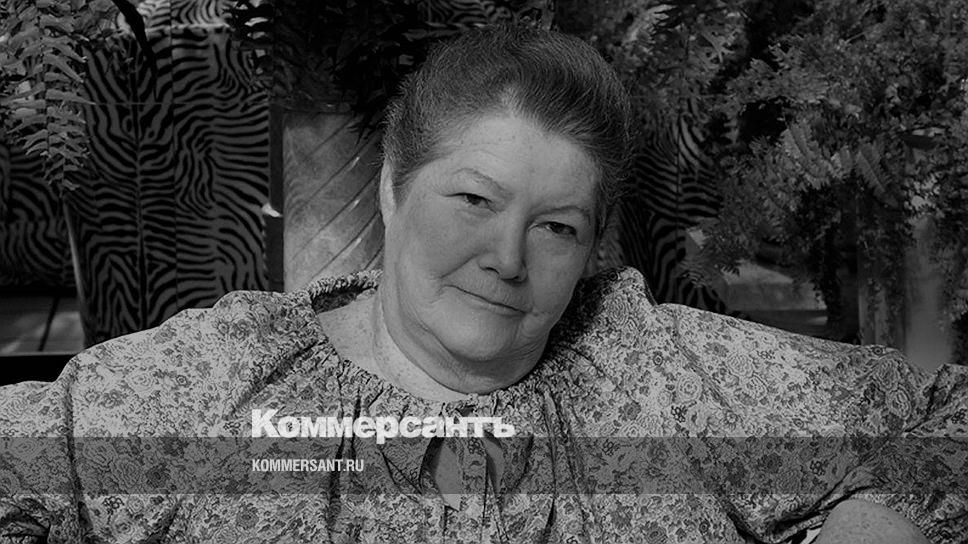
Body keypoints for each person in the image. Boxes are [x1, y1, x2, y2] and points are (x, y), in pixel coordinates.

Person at [1, 25, 966, 544]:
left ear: (591, 249)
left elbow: (945, 418)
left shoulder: (668, 379)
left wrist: (873, 519)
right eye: (473, 199)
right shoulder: (222, 390)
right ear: (392, 187)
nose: (508, 258)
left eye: (556, 227)